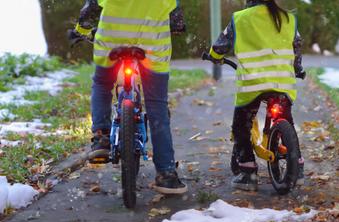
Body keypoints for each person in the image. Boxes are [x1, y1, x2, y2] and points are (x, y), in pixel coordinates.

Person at [69, 0, 187, 194]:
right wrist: (176, 27)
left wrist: (80, 31)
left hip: (112, 40)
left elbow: (90, 10)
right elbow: (177, 20)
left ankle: (101, 137)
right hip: (152, 45)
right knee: (157, 104)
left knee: (102, 83)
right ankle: (166, 174)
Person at [208, 0, 305, 191]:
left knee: (240, 126)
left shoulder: (240, 18)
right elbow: (296, 49)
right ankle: (298, 168)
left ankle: (248, 172)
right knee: (286, 119)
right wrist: (298, 68)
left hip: (253, 83)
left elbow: (220, 46)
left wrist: (214, 56)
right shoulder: (288, 18)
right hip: (281, 82)